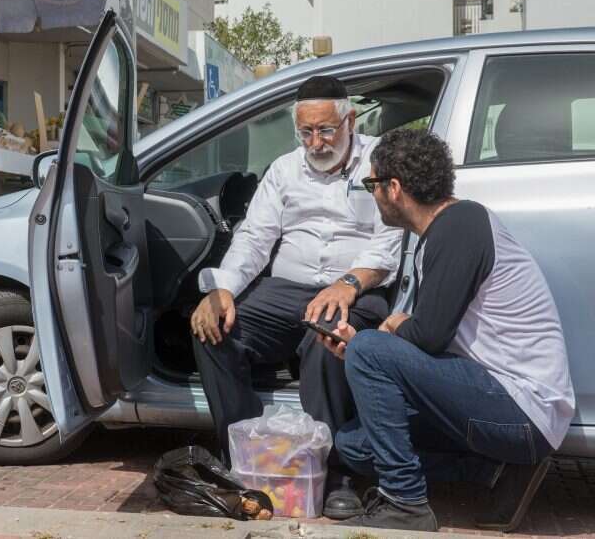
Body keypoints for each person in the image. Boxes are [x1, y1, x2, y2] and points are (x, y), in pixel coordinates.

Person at [321, 129, 575, 532]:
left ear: (394, 187)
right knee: (353, 444)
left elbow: (429, 336)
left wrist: (374, 344)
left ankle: (404, 501)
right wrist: (362, 345)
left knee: (369, 350)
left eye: (373, 185)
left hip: (521, 409)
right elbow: (423, 343)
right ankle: (492, 470)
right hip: (492, 402)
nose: (373, 195)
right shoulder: (438, 234)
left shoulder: (462, 224)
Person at [190, 75, 403, 520]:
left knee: (331, 340)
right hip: (285, 289)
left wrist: (348, 282)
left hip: (357, 288)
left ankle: (337, 472)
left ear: (349, 120)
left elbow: (389, 243)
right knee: (212, 329)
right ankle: (247, 456)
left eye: (326, 130)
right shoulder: (285, 169)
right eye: (306, 132)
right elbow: (254, 238)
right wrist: (223, 288)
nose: (316, 141)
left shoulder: (379, 160)